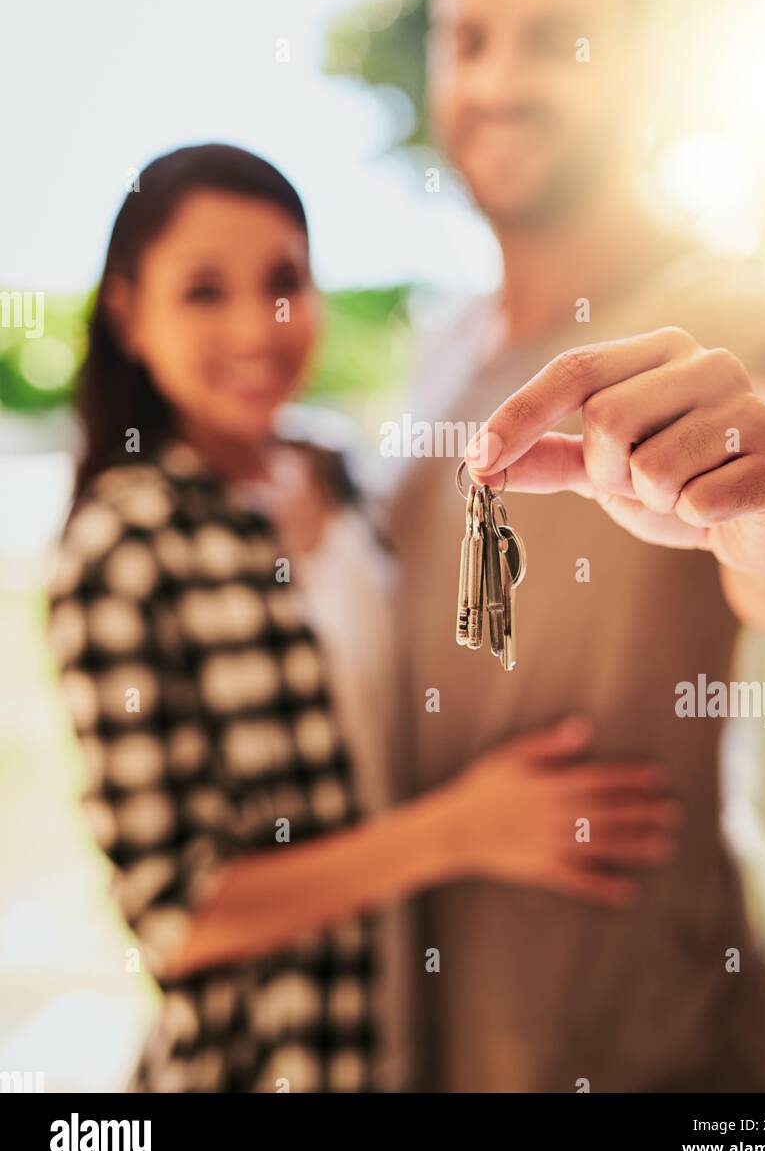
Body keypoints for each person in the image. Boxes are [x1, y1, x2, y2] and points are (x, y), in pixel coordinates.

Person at [46, 141, 681, 1092]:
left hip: (414, 1044)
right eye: (204, 290)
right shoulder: (119, 548)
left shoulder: (341, 476)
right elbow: (177, 917)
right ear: (132, 315)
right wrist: (461, 830)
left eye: (282, 281)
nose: (257, 328)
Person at [389, 0, 765, 1092]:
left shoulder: (712, 309)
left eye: (557, 41)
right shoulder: (442, 355)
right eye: (469, 37)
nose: (497, 81)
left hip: (662, 1061)